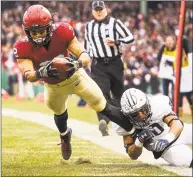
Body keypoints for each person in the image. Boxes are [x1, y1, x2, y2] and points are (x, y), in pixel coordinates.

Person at [13, 4, 135, 161]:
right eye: (34, 32)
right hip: (52, 86)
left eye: (41, 31)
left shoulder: (63, 31)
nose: (38, 36)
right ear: (26, 31)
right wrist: (41, 72)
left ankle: (134, 131)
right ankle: (65, 136)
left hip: (75, 77)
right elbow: (29, 75)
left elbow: (84, 55)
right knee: (58, 111)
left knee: (103, 105)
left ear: (49, 27)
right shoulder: (21, 46)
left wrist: (76, 64)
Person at [84, 1, 134, 136]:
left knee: (118, 94)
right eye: (96, 10)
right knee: (100, 93)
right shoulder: (89, 26)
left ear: (105, 10)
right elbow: (87, 44)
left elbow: (130, 37)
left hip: (115, 62)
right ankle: (104, 122)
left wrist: (117, 42)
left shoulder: (115, 23)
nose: (99, 12)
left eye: (101, 9)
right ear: (93, 11)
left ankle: (120, 122)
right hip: (98, 65)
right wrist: (87, 59)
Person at [114, 88, 192, 167]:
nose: (141, 115)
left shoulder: (157, 105)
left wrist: (167, 139)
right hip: (167, 149)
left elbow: (176, 124)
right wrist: (139, 141)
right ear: (128, 115)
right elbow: (133, 156)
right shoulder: (125, 122)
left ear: (147, 103)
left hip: (177, 132)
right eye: (135, 114)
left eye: (143, 110)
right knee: (187, 160)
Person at [157, 36, 176, 102]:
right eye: (168, 41)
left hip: (173, 75)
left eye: (170, 41)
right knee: (165, 93)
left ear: (173, 42)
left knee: (174, 93)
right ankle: (167, 107)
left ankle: (174, 108)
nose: (169, 43)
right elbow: (158, 58)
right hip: (164, 74)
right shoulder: (164, 49)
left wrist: (171, 63)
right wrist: (162, 47)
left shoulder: (176, 50)